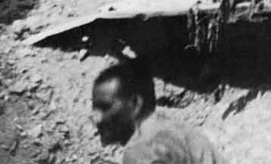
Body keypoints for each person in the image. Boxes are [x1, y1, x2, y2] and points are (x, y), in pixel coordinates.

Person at [92, 60, 227, 164]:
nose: (95, 118)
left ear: (134, 104)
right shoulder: (164, 126)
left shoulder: (141, 149)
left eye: (105, 107)